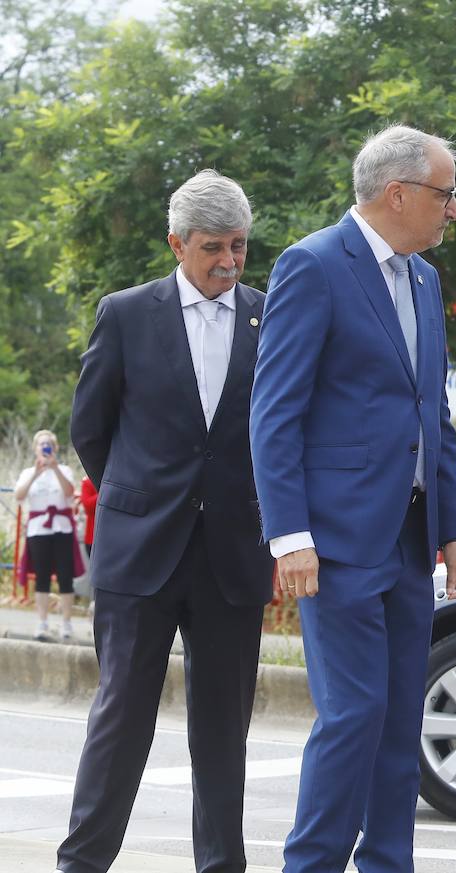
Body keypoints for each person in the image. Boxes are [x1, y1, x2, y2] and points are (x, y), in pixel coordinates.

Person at [250, 124, 456, 873]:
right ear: (399, 193)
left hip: (412, 542)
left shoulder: (425, 278)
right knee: (353, 715)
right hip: (336, 542)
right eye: (446, 195)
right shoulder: (312, 265)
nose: (454, 212)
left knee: (396, 721)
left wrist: (454, 531)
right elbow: (274, 411)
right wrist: (290, 536)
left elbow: (430, 412)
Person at [59, 169, 275, 873]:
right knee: (121, 719)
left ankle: (221, 865)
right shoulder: (123, 313)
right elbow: (90, 429)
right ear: (176, 244)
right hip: (139, 551)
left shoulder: (268, 317)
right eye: (213, 246)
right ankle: (82, 862)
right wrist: (142, 495)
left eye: (239, 246)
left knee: (223, 731)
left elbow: (279, 435)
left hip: (232, 557)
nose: (228, 262)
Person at [14, 429, 80, 640]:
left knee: (65, 577)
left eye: (48, 444)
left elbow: (70, 492)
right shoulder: (27, 472)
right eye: (41, 445)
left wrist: (54, 468)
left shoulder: (65, 470)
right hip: (38, 528)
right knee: (41, 577)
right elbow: (19, 496)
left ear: (55, 447)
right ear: (35, 449)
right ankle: (42, 622)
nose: (45, 448)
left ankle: (66, 623)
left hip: (61, 527)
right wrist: (36, 472)